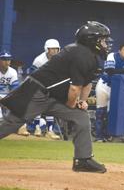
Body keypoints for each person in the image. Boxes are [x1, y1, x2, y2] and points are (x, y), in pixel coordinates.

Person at [0, 21, 112, 173]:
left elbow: (86, 84)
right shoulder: (81, 54)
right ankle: (83, 160)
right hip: (36, 93)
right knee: (12, 123)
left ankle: (83, 159)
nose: (106, 44)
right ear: (91, 40)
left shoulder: (90, 56)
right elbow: (74, 89)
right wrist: (73, 103)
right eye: (103, 40)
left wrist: (83, 101)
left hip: (54, 97)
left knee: (80, 116)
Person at [95, 42, 124, 142]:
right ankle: (98, 136)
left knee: (112, 112)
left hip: (116, 88)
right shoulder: (112, 56)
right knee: (100, 112)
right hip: (104, 85)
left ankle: (108, 135)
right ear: (119, 51)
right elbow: (110, 71)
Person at [26, 39, 61, 140]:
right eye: (52, 49)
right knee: (38, 105)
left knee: (51, 105)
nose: (54, 51)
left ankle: (50, 131)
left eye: (56, 49)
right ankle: (37, 128)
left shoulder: (60, 59)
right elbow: (33, 76)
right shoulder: (39, 60)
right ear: (47, 49)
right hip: (37, 84)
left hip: (52, 85)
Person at [0, 50, 19, 122]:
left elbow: (15, 88)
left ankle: (21, 127)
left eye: (8, 59)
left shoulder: (13, 71)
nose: (7, 62)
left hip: (7, 96)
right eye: (4, 59)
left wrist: (9, 99)